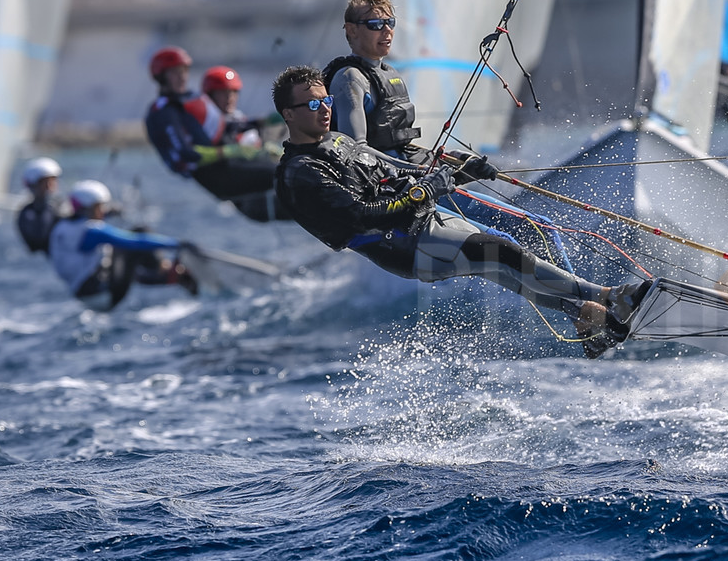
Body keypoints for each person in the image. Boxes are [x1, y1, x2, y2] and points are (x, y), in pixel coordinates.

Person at [271, 65, 646, 356]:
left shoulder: (337, 141)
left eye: (327, 101)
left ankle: (588, 322)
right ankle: (612, 295)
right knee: (501, 253)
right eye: (313, 105)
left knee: (502, 265)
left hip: (422, 220)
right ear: (289, 114)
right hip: (401, 245)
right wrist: (424, 192)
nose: (325, 109)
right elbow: (362, 215)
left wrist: (463, 172)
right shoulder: (301, 172)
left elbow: (400, 173)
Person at [142, 47, 291, 222]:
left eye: (184, 71)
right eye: (175, 72)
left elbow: (226, 127)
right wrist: (231, 151)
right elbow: (186, 154)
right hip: (217, 175)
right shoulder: (164, 112)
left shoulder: (188, 101)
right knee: (287, 172)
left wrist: (263, 123)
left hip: (233, 167)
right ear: (161, 76)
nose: (182, 77)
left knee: (294, 165)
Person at [47, 180, 197, 310]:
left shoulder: (62, 226)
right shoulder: (92, 232)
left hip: (85, 296)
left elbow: (88, 219)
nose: (103, 211)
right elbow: (135, 241)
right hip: (105, 295)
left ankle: (165, 275)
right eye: (99, 207)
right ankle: (170, 273)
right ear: (87, 208)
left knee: (117, 258)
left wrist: (112, 212)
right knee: (139, 233)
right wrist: (178, 244)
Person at [323, 0, 424, 159]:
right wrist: (415, 169)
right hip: (374, 171)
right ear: (352, 30)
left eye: (390, 22)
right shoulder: (349, 78)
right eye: (375, 24)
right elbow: (356, 150)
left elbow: (398, 146)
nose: (387, 30)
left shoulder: (390, 73)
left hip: (402, 165)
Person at [16, 156, 68, 254]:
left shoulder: (62, 205)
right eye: (44, 183)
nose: (50, 186)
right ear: (33, 185)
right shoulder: (28, 213)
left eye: (53, 181)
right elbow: (37, 241)